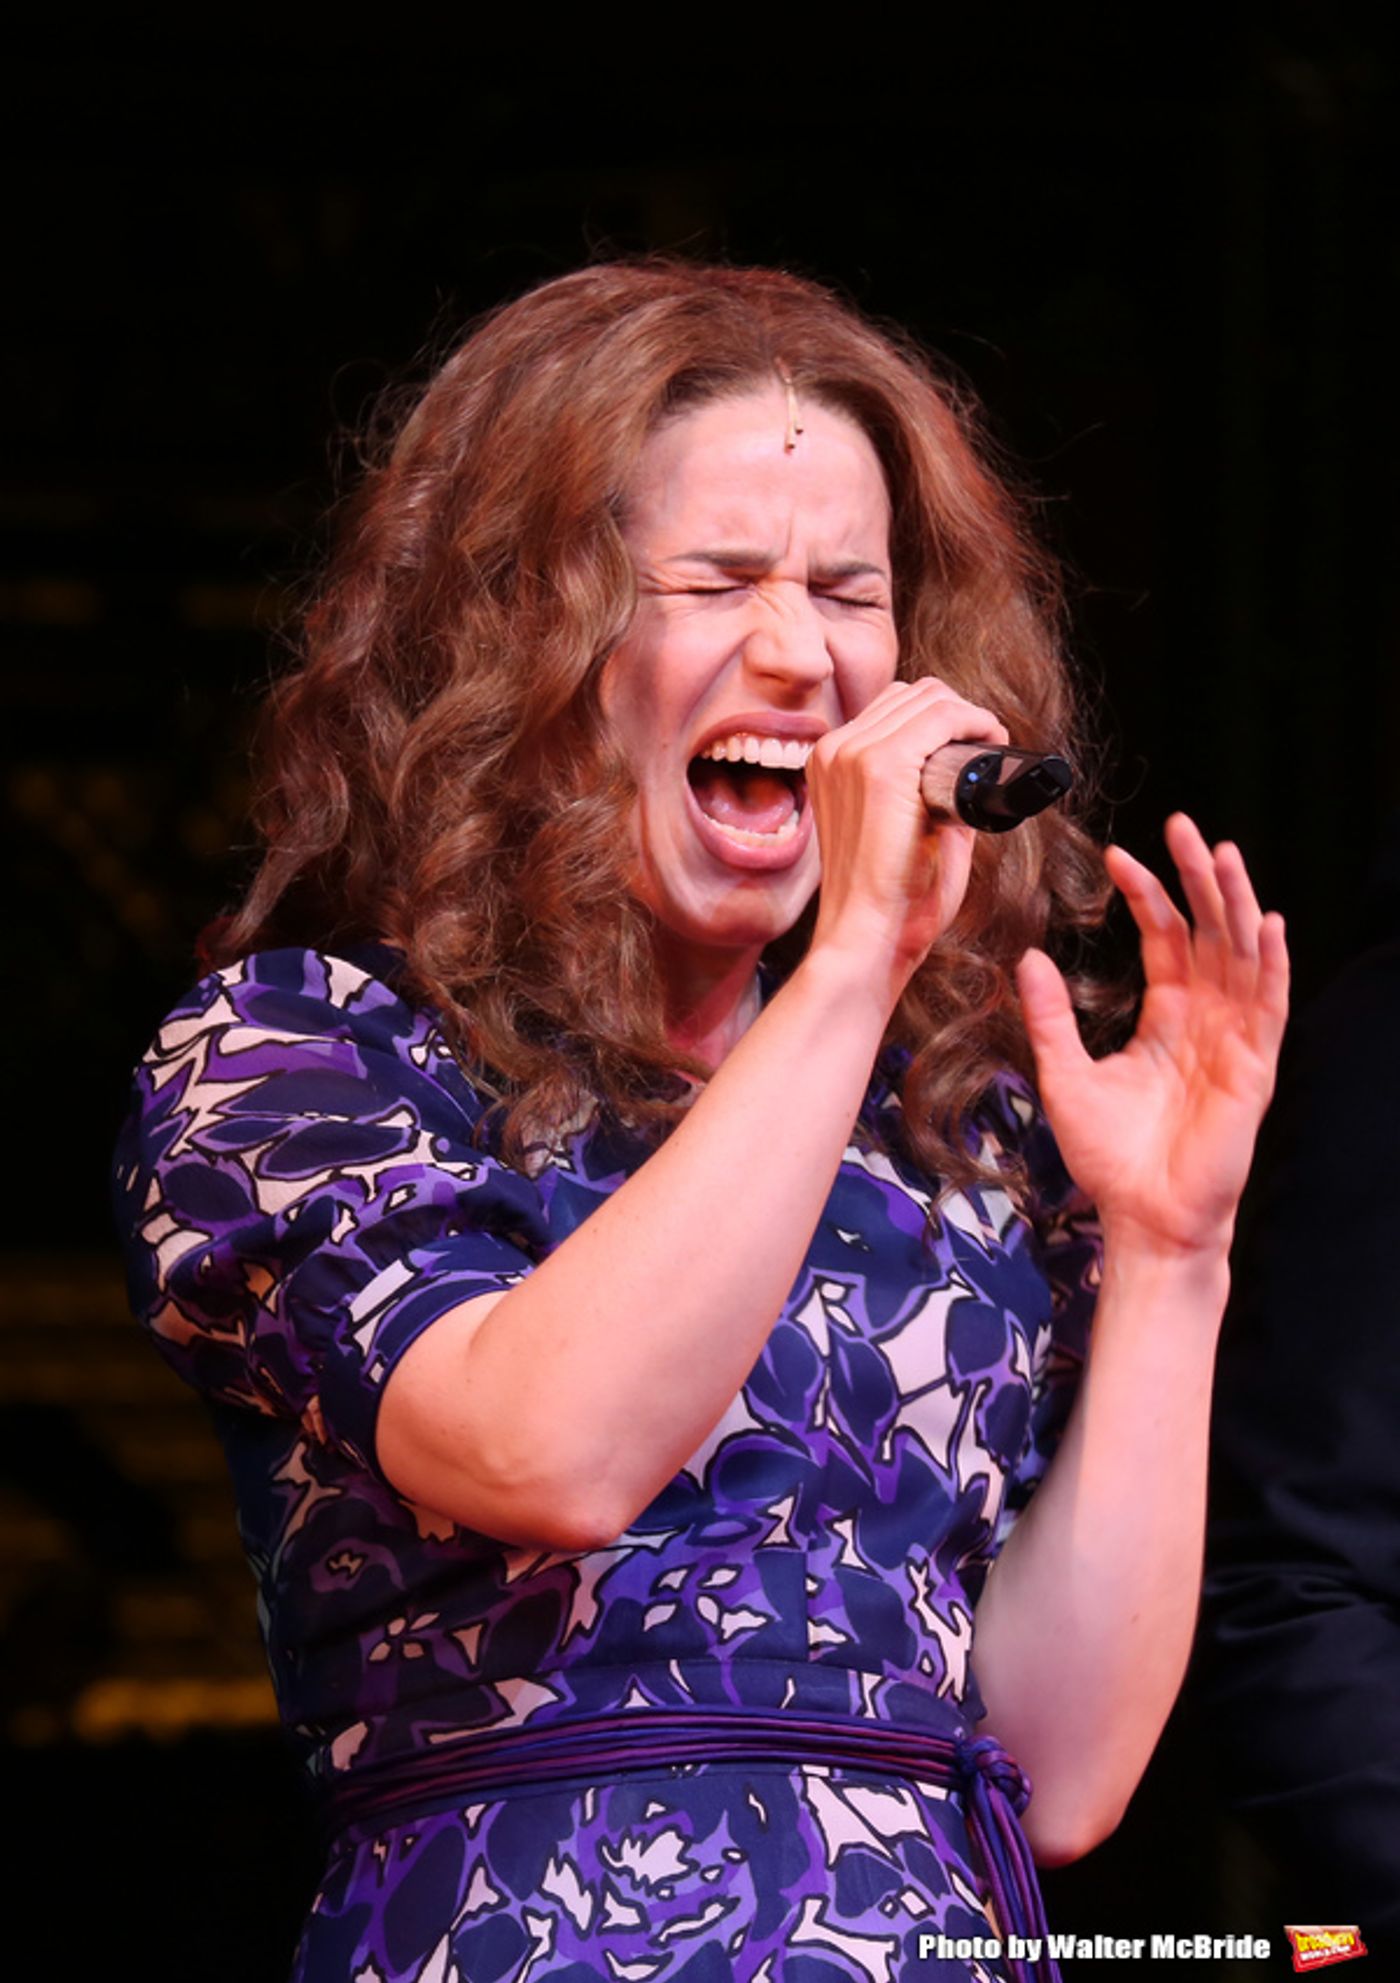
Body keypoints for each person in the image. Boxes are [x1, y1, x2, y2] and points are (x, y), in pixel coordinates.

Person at [114, 261, 1287, 1983]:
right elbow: (549, 1450)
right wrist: (860, 964)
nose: (802, 655)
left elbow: (1061, 1772)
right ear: (525, 633)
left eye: (849, 591)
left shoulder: (949, 1142)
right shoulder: (307, 1061)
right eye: (718, 582)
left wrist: (1176, 1255)